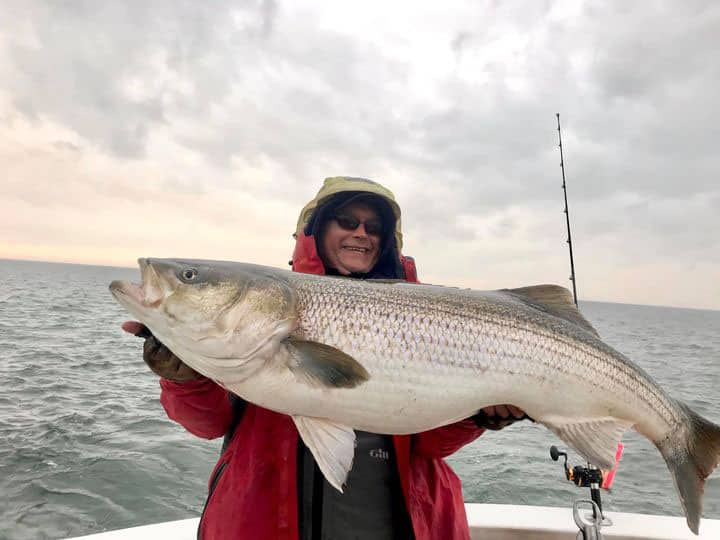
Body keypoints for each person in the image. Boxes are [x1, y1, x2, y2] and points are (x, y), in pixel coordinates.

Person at [122, 176, 526, 540]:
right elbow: (208, 424)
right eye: (347, 221)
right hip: (266, 522)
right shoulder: (251, 335)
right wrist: (183, 378)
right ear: (316, 229)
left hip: (404, 522)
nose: (361, 233)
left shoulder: (426, 315)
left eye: (374, 227)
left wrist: (479, 417)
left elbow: (431, 443)